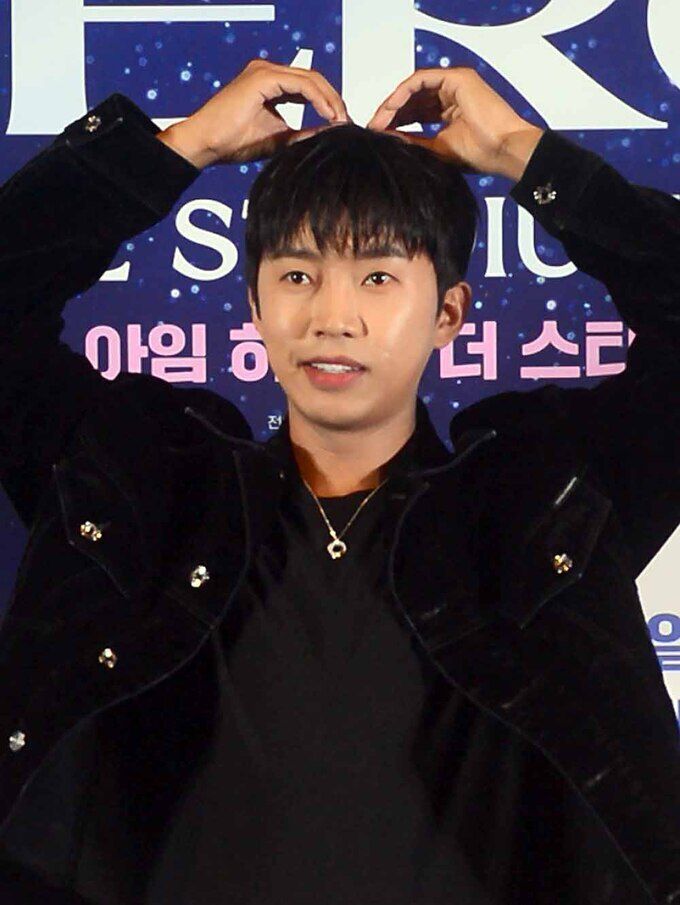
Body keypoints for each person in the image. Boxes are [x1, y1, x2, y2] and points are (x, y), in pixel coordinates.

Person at [0, 58, 677, 904]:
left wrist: (522, 151)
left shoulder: (540, 504)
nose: (332, 316)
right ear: (254, 305)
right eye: (297, 274)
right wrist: (178, 147)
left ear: (449, 313)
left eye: (378, 276)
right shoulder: (141, 485)